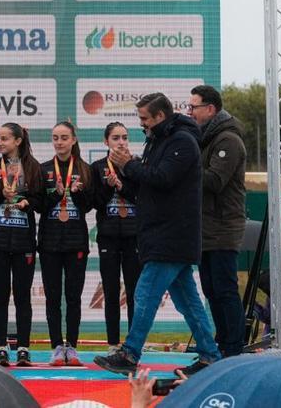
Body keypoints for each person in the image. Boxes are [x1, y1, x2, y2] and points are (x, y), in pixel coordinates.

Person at [95, 93, 222, 377]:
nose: (141, 125)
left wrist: (129, 164)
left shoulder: (182, 142)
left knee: (145, 293)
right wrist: (125, 178)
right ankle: (210, 355)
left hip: (172, 234)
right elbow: (148, 188)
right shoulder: (159, 140)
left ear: (160, 117)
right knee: (187, 300)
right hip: (162, 233)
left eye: (144, 119)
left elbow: (162, 179)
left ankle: (130, 353)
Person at [188, 84, 248, 358]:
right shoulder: (205, 138)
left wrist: (185, 167)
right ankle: (222, 342)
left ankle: (234, 347)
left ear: (210, 109)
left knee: (224, 289)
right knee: (211, 289)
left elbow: (214, 180)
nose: (190, 113)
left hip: (223, 227)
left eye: (194, 107)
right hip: (206, 227)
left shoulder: (228, 140)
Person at [0, 123, 44, 367]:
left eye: (4, 138)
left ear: (18, 140)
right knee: (0, 296)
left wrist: (25, 204)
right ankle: (1, 347)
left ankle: (23, 348)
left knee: (22, 297)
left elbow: (41, 201)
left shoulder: (33, 167)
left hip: (23, 242)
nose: (0, 143)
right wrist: (1, 195)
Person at [39, 121, 94, 367]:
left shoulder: (84, 168)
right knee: (52, 297)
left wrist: (77, 193)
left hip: (75, 241)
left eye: (64, 137)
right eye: (55, 138)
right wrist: (57, 194)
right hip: (50, 241)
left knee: (73, 297)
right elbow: (38, 206)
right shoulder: (43, 169)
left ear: (73, 140)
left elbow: (89, 206)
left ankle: (71, 346)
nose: (59, 142)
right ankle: (55, 347)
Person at [90, 122, 141, 356]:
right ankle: (113, 343)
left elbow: (142, 198)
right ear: (106, 141)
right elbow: (95, 203)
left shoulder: (136, 165)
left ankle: (133, 343)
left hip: (133, 236)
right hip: (108, 237)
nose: (121, 141)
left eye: (124, 137)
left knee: (134, 292)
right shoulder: (98, 167)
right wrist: (108, 188)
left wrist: (121, 185)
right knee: (110, 291)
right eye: (115, 138)